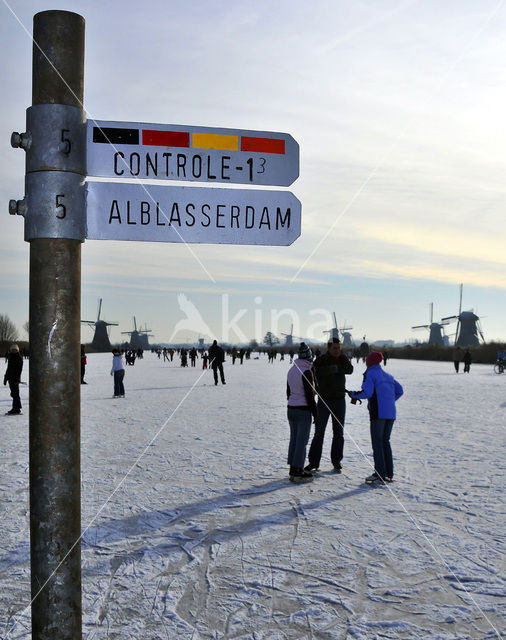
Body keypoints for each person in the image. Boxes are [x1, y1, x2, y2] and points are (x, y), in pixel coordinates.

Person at [351, 351, 403, 484]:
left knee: (377, 443)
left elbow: (367, 392)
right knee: (386, 442)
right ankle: (388, 473)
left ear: (369, 362)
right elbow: (400, 390)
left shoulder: (370, 374)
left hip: (378, 413)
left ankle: (379, 473)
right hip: (391, 413)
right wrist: (389, 401)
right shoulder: (388, 375)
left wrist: (353, 395)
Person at [305, 337, 354, 473]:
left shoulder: (343, 358)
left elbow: (350, 369)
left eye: (339, 348)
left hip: (339, 400)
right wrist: (330, 369)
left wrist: (337, 367)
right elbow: (313, 372)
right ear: (328, 348)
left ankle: (336, 461)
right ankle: (313, 462)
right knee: (319, 432)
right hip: (324, 400)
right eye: (334, 348)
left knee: (339, 433)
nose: (337, 350)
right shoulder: (321, 359)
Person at [286, 343, 317, 483]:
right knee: (302, 442)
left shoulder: (292, 370)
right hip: (302, 410)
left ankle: (293, 469)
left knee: (294, 439)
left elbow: (288, 392)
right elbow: (309, 395)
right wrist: (315, 413)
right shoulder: (306, 371)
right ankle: (298, 470)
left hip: (291, 408)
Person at [4, 343, 23, 415]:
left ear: (17, 350)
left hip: (15, 379)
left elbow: (19, 370)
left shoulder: (19, 358)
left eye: (15, 350)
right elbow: (8, 369)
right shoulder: (10, 357)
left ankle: (17, 409)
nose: (14, 351)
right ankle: (15, 407)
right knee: (13, 394)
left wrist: (17, 379)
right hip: (10, 378)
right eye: (12, 349)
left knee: (15, 394)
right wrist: (5, 378)